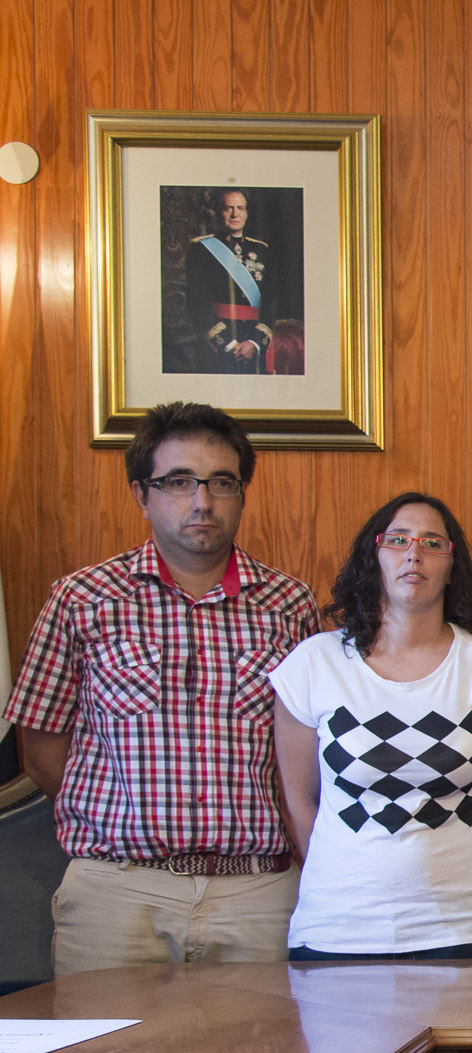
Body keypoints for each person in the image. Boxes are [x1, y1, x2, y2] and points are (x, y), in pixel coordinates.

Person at [4, 401, 316, 971]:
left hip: (258, 892)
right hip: (117, 894)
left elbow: (309, 752)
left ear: (241, 493)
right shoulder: (81, 599)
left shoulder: (290, 606)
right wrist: (118, 820)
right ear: (141, 495)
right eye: (178, 482)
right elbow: (42, 747)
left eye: (221, 482)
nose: (202, 501)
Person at [271, 494, 472, 960]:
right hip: (337, 930)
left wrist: (470, 873)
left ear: (452, 565)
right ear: (373, 557)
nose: (414, 553)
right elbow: (298, 799)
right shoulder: (316, 663)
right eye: (398, 540)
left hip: (465, 930)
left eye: (432, 542)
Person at [183, 189, 277, 374]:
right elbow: (197, 302)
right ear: (219, 212)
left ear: (247, 213)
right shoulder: (200, 249)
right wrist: (228, 344)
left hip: (254, 340)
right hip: (218, 345)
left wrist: (255, 342)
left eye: (240, 208)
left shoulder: (262, 250)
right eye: (228, 208)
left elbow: (271, 301)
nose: (235, 214)